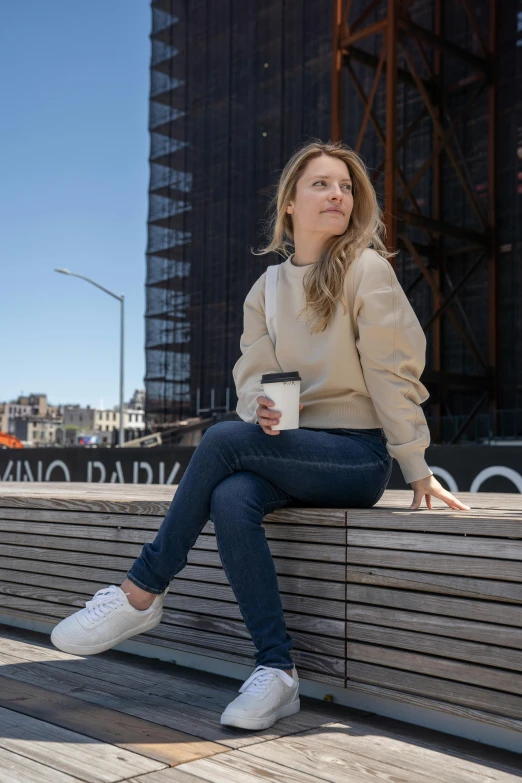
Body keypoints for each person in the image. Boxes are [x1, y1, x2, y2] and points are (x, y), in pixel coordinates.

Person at [50, 139, 470, 731]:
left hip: (356, 456)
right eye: (322, 184)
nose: (338, 195)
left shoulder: (367, 270)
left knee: (222, 440)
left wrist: (415, 465)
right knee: (231, 495)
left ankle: (141, 591)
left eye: (347, 187)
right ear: (291, 204)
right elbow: (257, 376)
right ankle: (277, 672)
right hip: (294, 449)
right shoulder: (267, 289)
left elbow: (390, 370)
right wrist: (266, 412)